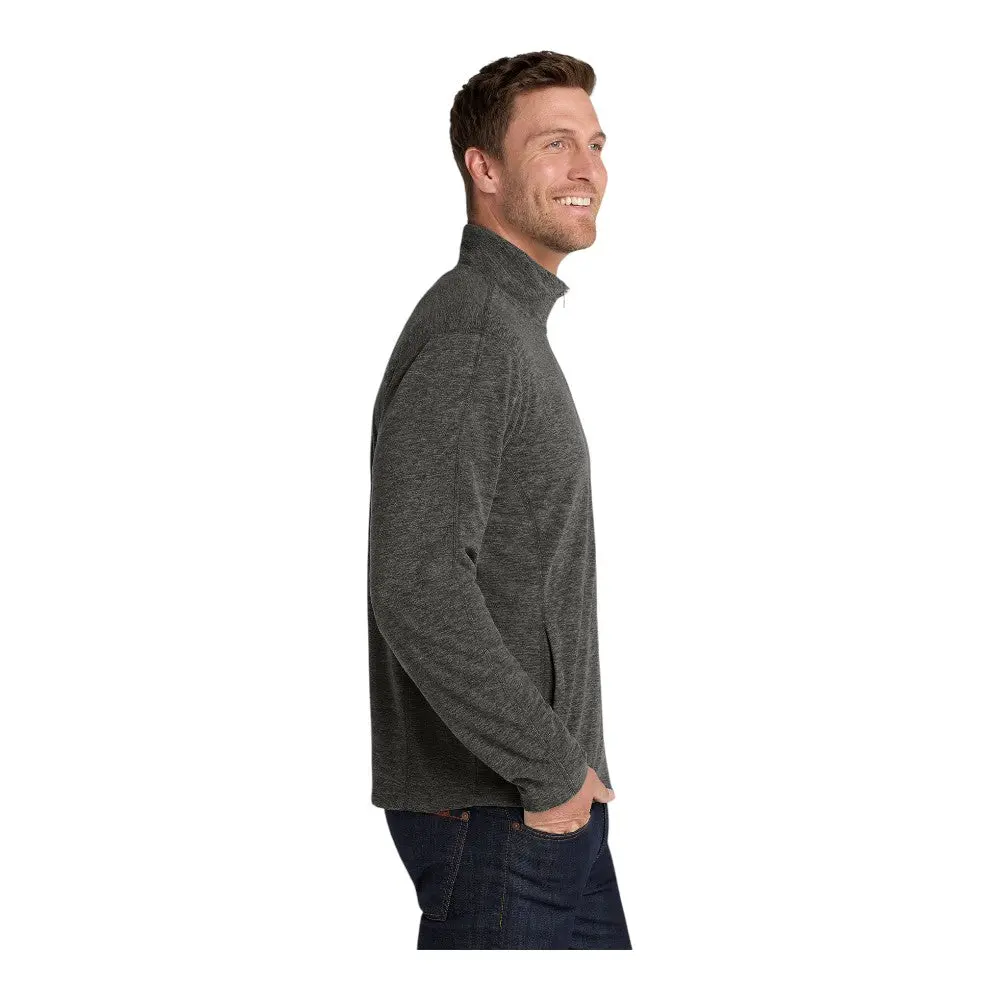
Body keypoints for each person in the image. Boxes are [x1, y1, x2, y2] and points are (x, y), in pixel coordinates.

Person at [367, 50, 630, 949]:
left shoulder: (509, 325)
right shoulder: (476, 328)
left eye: (595, 144)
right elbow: (417, 582)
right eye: (555, 144)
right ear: (483, 168)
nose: (586, 168)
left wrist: (563, 779)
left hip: (537, 814)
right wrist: (550, 771)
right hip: (506, 817)